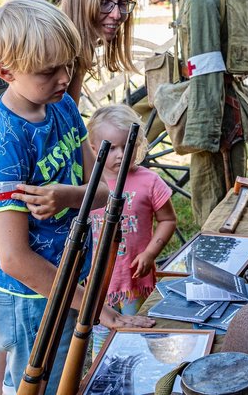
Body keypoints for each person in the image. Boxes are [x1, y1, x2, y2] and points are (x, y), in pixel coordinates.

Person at [0, 0, 139, 395]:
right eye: (50, 71)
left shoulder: (61, 103)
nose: (65, 78)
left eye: (69, 66)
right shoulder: (5, 141)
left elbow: (100, 191)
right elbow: (14, 259)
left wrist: (68, 196)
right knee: (36, 378)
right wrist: (90, 305)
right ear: (5, 72)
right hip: (34, 299)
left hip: (66, 280)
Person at [141, 0, 248, 225]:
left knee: (214, 208)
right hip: (213, 106)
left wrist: (203, 133)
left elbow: (206, 67)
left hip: (212, 112)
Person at [87, 104, 177, 355]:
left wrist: (150, 253)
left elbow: (168, 220)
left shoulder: (149, 181)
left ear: (138, 145)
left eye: (127, 145)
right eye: (111, 147)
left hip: (134, 278)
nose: (120, 154)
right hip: (97, 281)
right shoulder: (86, 184)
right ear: (93, 148)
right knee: (102, 338)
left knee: (136, 333)